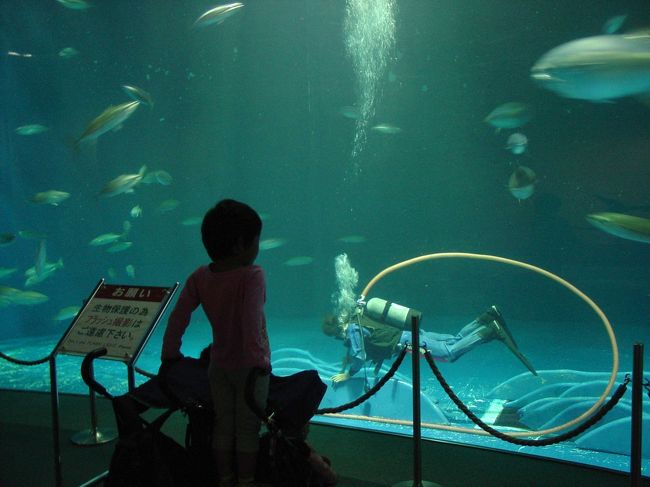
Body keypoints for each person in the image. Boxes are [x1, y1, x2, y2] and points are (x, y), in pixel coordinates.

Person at [161, 199, 271, 487]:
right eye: (256, 240)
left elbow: (178, 315)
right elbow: (251, 322)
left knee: (223, 423)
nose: (258, 246)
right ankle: (246, 481)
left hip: (218, 366)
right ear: (239, 244)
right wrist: (259, 363)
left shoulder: (200, 276)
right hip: (250, 370)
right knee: (247, 428)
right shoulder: (253, 275)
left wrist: (170, 353)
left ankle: (224, 478)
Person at [322, 298, 537, 384]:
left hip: (407, 341)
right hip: (411, 333)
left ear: (334, 334)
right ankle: (486, 317)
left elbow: (359, 355)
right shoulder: (357, 315)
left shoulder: (351, 329)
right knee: (454, 340)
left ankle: (489, 331)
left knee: (448, 354)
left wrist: (347, 374)